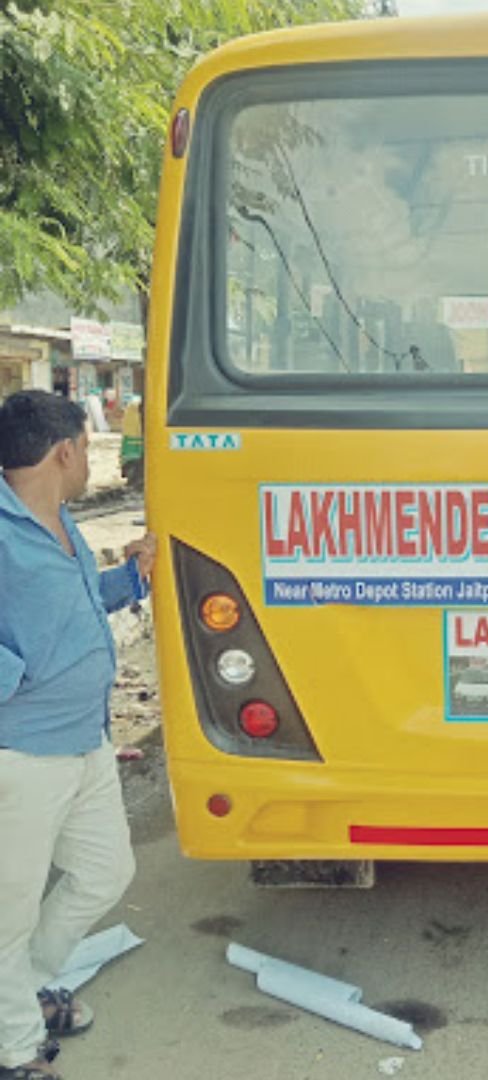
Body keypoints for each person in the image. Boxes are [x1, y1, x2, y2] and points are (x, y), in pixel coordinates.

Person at [0, 391, 156, 1080]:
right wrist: (20, 676)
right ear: (63, 451)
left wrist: (132, 578)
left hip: (85, 739)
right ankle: (15, 1050)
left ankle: (24, 992)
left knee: (104, 872)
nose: (91, 462)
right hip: (22, 752)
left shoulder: (56, 517)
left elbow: (75, 603)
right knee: (8, 910)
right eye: (88, 449)